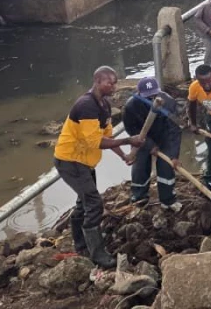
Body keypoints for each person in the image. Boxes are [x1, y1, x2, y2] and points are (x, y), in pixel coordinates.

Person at [53, 66, 145, 268]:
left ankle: (82, 245)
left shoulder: (104, 105)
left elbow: (108, 137)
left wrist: (123, 156)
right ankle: (97, 253)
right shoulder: (86, 106)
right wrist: (129, 140)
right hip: (70, 161)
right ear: (97, 81)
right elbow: (96, 142)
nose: (113, 86)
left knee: (84, 203)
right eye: (109, 82)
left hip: (84, 162)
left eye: (115, 82)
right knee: (94, 204)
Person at [122, 77, 182, 211]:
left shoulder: (168, 102)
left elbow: (174, 130)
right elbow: (131, 129)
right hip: (142, 138)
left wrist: (174, 155)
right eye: (148, 97)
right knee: (140, 166)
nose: (152, 99)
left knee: (166, 166)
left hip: (164, 137)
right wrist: (149, 145)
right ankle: (139, 197)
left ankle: (168, 200)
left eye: (154, 95)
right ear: (139, 94)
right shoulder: (131, 106)